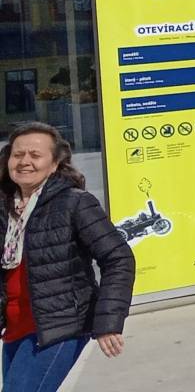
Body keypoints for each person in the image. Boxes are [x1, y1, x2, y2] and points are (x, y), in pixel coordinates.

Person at [0, 122, 134, 390]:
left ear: (54, 164)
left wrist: (108, 321)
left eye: (35, 155)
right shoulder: (5, 206)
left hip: (60, 326)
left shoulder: (74, 202)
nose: (24, 161)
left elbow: (119, 258)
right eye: (18, 154)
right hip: (15, 327)